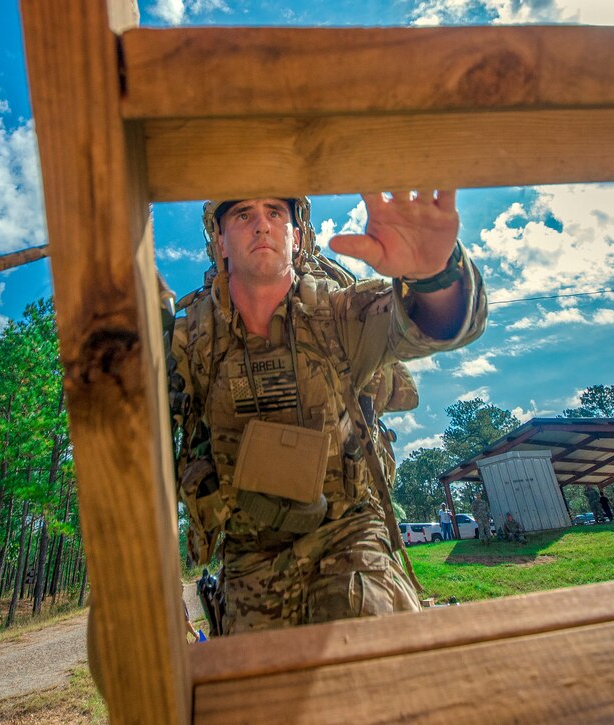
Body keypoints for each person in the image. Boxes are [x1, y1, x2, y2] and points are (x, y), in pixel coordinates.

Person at [170, 191, 487, 635]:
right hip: (248, 555)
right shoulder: (192, 339)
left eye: (274, 213)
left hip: (350, 533)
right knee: (260, 695)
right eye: (243, 214)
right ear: (220, 241)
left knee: (378, 662)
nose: (261, 225)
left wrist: (433, 274)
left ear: (296, 236)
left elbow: (433, 327)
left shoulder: (338, 313)